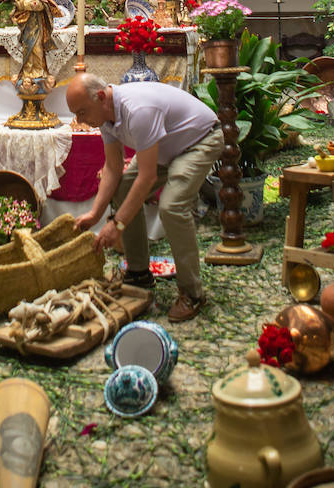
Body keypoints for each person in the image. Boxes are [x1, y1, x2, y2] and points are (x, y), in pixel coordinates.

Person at [66, 71, 223, 322]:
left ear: (101, 96)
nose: (80, 120)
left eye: (82, 112)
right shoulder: (105, 117)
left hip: (199, 140)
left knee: (172, 207)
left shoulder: (137, 111)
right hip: (166, 146)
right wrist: (95, 213)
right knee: (122, 185)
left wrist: (117, 224)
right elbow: (113, 169)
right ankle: (138, 273)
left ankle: (192, 294)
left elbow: (147, 176)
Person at [0, 0, 59, 96]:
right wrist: (29, 4)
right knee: (28, 47)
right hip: (26, 22)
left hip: (38, 22)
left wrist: (35, 4)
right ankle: (27, 70)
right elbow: (18, 1)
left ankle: (38, 70)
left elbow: (45, 2)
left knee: (37, 47)